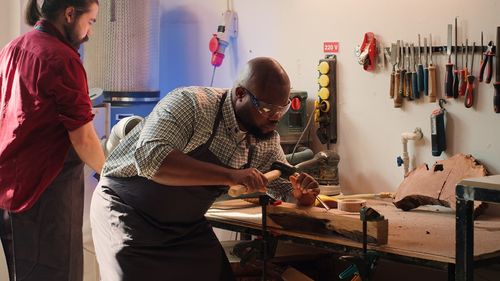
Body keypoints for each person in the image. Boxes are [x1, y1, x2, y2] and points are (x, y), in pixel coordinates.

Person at [90, 56, 320, 281]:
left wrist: (302, 195)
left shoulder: (265, 139)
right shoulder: (191, 104)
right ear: (240, 94)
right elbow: (152, 159)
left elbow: (283, 188)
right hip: (128, 212)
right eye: (268, 110)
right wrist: (231, 175)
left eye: (283, 109)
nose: (276, 119)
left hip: (184, 227)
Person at [0, 1, 104, 280]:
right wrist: (111, 175)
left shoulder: (12, 47)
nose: (89, 33)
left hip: (8, 190)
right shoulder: (61, 58)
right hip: (45, 195)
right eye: (90, 22)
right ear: (70, 14)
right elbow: (82, 137)